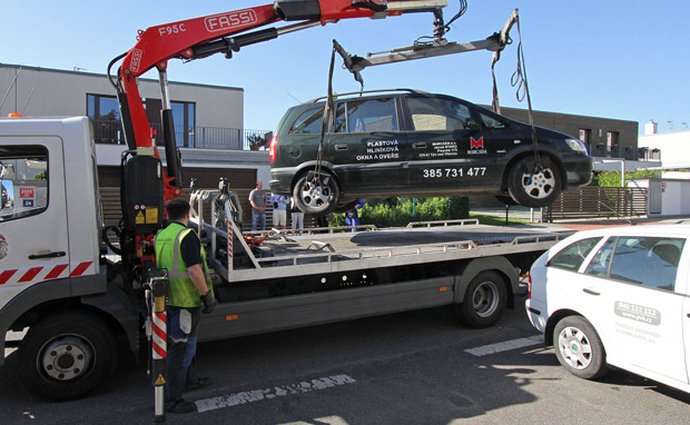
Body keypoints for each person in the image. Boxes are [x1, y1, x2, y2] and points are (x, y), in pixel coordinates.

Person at [154, 199, 216, 414]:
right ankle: (172, 400)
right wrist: (206, 294)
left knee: (187, 343)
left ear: (167, 214)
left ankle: (189, 380)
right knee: (180, 348)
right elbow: (194, 270)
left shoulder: (162, 235)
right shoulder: (186, 235)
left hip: (169, 298)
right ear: (187, 214)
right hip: (185, 300)